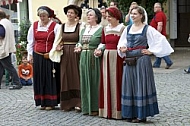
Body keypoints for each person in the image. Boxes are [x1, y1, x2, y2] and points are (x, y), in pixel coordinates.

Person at [117, 6, 174, 123]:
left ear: (141, 16)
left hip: (142, 61)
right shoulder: (127, 29)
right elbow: (122, 42)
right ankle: (130, 113)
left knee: (140, 85)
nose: (132, 16)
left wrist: (151, 50)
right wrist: (122, 48)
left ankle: (141, 115)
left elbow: (161, 39)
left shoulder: (147, 29)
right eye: (131, 13)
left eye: (135, 14)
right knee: (130, 85)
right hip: (129, 60)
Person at [27, 6, 60, 110]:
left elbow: (57, 41)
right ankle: (41, 101)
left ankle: (50, 102)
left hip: (49, 56)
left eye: (44, 16)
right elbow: (31, 41)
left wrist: (52, 52)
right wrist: (30, 54)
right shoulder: (34, 26)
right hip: (37, 55)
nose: (42, 17)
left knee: (50, 78)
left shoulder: (55, 26)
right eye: (40, 16)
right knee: (39, 77)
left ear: (48, 16)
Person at [50, 4, 82, 112]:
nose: (69, 14)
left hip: (76, 53)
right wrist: (57, 47)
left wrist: (79, 48)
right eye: (68, 12)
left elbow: (81, 40)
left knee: (76, 76)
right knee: (65, 76)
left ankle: (78, 102)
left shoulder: (80, 26)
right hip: (65, 54)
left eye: (72, 12)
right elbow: (57, 40)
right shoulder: (62, 26)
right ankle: (66, 103)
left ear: (76, 15)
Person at [97, 6, 125, 119]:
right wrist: (99, 50)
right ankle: (106, 110)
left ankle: (117, 111)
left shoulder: (122, 28)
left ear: (116, 17)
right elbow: (103, 42)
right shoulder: (105, 29)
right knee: (106, 82)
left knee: (117, 82)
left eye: (110, 16)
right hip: (106, 56)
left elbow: (125, 43)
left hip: (117, 57)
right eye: (107, 16)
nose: (108, 18)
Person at [74, 8, 102, 116]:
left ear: (96, 17)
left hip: (93, 58)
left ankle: (95, 107)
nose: (88, 16)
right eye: (87, 15)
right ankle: (86, 107)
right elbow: (79, 42)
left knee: (94, 81)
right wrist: (78, 47)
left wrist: (100, 49)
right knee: (84, 81)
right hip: (83, 57)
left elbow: (103, 43)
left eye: (90, 15)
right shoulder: (84, 29)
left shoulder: (100, 29)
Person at [0, 10, 22, 90]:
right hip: (8, 47)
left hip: (4, 48)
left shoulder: (2, 23)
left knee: (8, 67)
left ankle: (17, 83)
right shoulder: (7, 22)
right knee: (2, 66)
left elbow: (1, 35)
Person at [150, 2, 173, 69]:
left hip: (159, 35)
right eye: (154, 7)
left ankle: (168, 62)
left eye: (156, 7)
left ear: (160, 8)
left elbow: (160, 24)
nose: (154, 8)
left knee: (160, 50)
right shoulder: (160, 14)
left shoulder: (159, 15)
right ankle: (157, 64)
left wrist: (157, 34)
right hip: (161, 35)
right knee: (159, 49)